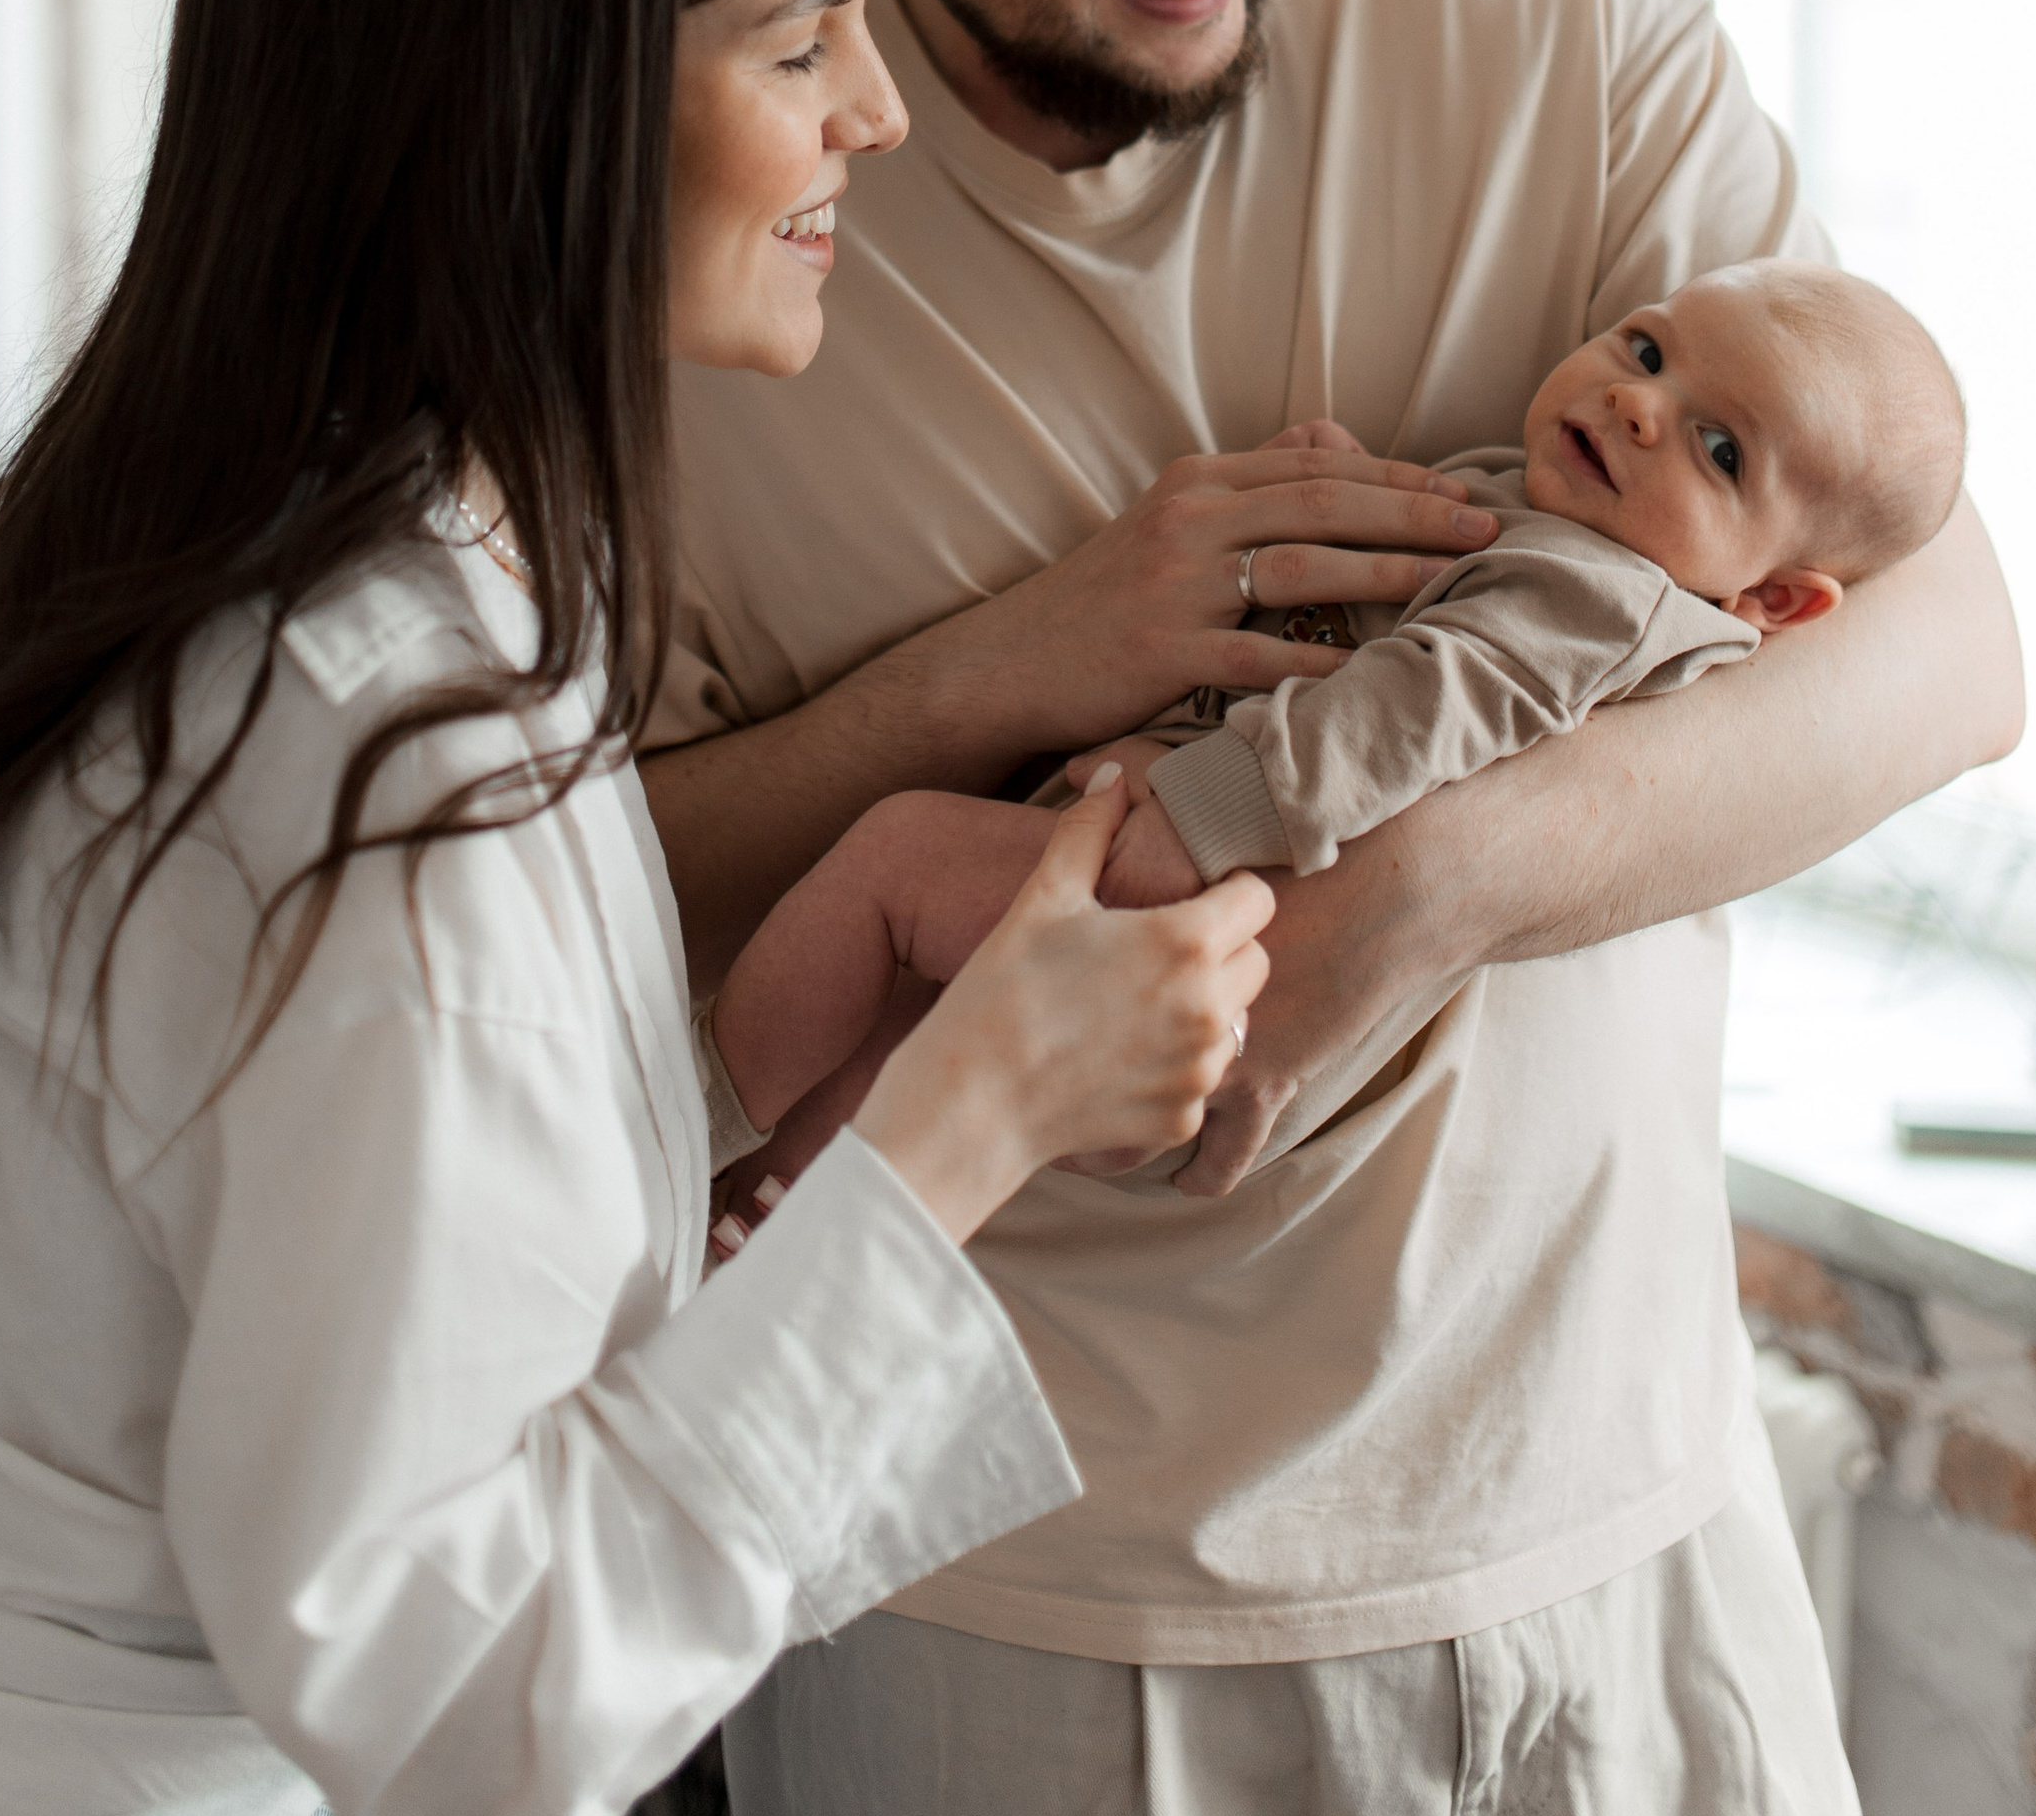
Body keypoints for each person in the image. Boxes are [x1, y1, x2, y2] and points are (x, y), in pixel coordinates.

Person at [644, 0, 2024, 1816]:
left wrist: (1421, 892)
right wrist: (1003, 669)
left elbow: (1943, 651)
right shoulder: (713, 214)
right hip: (1007, 1620)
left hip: (1612, 1528)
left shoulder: (1558, 30)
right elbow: (576, 902)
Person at [0, 0, 1271, 1816]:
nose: (875, 113)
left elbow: (253, 1215)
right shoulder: (374, 757)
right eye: (799, 40)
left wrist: (721, 1086)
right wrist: (977, 1117)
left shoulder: (220, 591)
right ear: (544, 94)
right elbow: (460, 1707)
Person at [708, 258, 1969, 1178]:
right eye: (1647, 351)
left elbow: (1423, 705)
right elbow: (1405, 612)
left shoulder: (1598, 597)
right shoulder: (1562, 526)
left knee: (893, 862)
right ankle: (774, 1200)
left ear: (1775, 599)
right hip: (1178, 918)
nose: (1642, 404)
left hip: (1195, 914)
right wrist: (1335, 487)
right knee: (905, 1015)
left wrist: (1199, 814)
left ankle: (696, 1131)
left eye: (1718, 450)